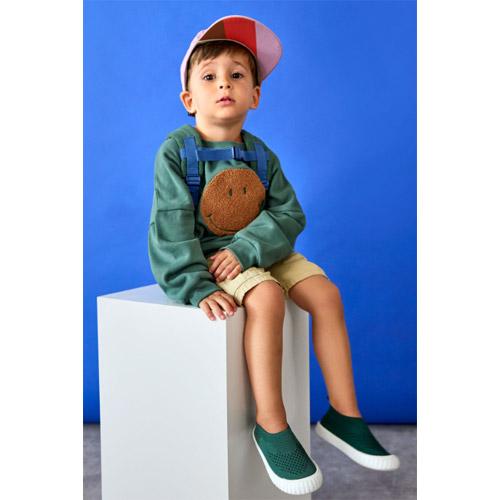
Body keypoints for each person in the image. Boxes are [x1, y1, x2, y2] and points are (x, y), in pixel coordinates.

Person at [148, 15, 400, 496]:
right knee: (264, 299)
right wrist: (195, 284)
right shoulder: (177, 152)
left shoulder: (262, 155)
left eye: (237, 75)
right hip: (214, 258)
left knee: (326, 294)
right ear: (189, 99)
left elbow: (288, 214)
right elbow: (170, 224)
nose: (224, 84)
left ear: (255, 96)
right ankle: (271, 423)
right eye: (209, 77)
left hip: (262, 248)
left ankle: (344, 414)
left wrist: (250, 246)